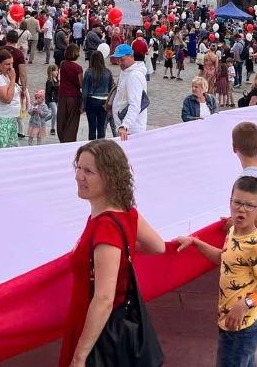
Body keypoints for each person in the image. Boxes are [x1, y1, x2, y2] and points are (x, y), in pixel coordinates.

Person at [59, 139, 166, 367]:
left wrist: (79, 356)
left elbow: (104, 299)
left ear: (108, 177)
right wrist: (121, 247)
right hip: (108, 322)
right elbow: (158, 246)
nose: (79, 176)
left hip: (96, 329)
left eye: (88, 171)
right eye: (78, 167)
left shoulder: (106, 227)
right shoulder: (128, 212)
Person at [174, 177, 257, 367]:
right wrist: (196, 243)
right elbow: (225, 260)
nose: (241, 209)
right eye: (237, 202)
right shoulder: (233, 231)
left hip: (240, 328)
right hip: (234, 322)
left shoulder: (256, 246)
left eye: (249, 205)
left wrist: (244, 304)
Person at [112, 43, 149, 139]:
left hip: (130, 130)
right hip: (125, 126)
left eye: (122, 59)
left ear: (131, 56)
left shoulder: (134, 76)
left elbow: (135, 104)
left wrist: (125, 126)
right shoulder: (125, 71)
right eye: (117, 59)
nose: (119, 63)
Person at [81, 49, 113, 140]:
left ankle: (92, 147)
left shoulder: (89, 72)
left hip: (91, 100)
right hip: (104, 101)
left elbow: (85, 90)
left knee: (92, 127)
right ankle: (100, 147)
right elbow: (111, 89)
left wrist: (83, 104)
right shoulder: (108, 72)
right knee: (101, 126)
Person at [57, 44, 84, 142]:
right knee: (72, 121)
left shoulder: (63, 64)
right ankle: (69, 140)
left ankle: (62, 139)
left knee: (62, 119)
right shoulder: (78, 68)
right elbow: (81, 84)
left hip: (62, 94)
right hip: (74, 96)